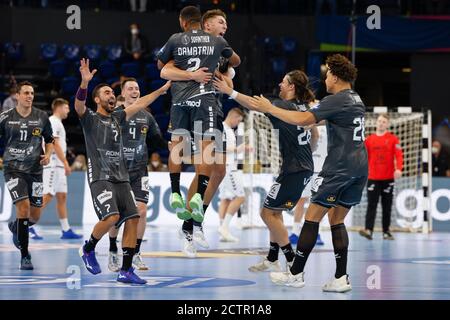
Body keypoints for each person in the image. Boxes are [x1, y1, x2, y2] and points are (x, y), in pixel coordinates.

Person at [251, 54, 367, 293]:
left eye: (327, 75)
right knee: (337, 221)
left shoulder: (337, 98)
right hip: (360, 168)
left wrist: (270, 108)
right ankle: (341, 278)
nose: (325, 79)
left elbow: (304, 119)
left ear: (335, 76)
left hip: (338, 168)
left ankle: (295, 273)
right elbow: (326, 121)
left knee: (312, 218)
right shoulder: (356, 98)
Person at [75, 58, 170, 284]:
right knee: (112, 217)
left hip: (122, 177)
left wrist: (163, 89)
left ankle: (126, 270)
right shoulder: (89, 118)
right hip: (101, 176)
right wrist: (85, 83)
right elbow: (78, 105)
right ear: (97, 99)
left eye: (112, 93)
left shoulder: (119, 116)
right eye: (106, 93)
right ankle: (88, 249)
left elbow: (141, 102)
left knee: (134, 217)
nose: (110, 95)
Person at [214, 70, 317, 274]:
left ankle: (291, 260)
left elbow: (253, 104)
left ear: (291, 87)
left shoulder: (282, 106)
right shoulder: (304, 107)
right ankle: (272, 258)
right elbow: (314, 132)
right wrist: (307, 151)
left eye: (283, 82)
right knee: (274, 211)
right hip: (299, 167)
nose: (280, 84)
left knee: (266, 213)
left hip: (295, 169)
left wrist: (230, 91)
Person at [157, 6, 240, 257]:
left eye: (226, 23)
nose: (225, 26)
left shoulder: (220, 51)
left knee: (220, 169)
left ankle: (195, 220)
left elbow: (230, 83)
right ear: (206, 25)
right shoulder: (193, 46)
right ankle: (190, 228)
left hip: (214, 108)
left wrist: (221, 79)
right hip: (198, 109)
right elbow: (166, 69)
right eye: (220, 22)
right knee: (206, 161)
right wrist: (193, 75)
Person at [107, 77, 168, 272]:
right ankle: (112, 250)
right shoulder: (115, 115)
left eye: (137, 88)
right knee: (116, 214)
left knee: (141, 211)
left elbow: (157, 141)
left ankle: (136, 253)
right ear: (123, 94)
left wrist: (173, 144)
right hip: (117, 171)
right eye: (130, 89)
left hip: (140, 170)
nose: (135, 91)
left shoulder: (146, 117)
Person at [1, 81, 54, 270]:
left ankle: (17, 227)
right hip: (13, 168)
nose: (30, 96)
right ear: (17, 96)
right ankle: (25, 255)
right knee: (22, 208)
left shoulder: (41, 117)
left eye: (32, 93)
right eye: (26, 93)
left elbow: (50, 140)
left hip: (35, 171)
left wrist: (47, 155)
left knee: (35, 216)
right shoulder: (5, 117)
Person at [41, 98, 82, 240]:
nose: (68, 110)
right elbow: (55, 144)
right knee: (48, 195)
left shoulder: (58, 123)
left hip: (58, 165)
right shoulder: (53, 121)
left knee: (61, 196)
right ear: (59, 107)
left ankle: (66, 229)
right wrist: (65, 162)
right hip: (53, 163)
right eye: (67, 107)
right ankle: (27, 226)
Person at [359, 114, 403, 241]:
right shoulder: (369, 140)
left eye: (384, 121)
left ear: (387, 124)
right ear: (376, 123)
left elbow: (399, 155)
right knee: (371, 205)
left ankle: (386, 231)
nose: (381, 123)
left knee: (387, 206)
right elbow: (363, 156)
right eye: (379, 121)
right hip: (373, 177)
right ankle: (368, 230)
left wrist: (399, 168)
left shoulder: (393, 139)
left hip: (388, 178)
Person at [289, 122, 325, 246]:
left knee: (318, 203)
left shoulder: (327, 125)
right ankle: (295, 232)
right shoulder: (304, 123)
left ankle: (317, 233)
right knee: (301, 200)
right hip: (306, 167)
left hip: (321, 170)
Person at [217, 107, 246, 242]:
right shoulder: (223, 128)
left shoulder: (229, 130)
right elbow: (217, 146)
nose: (237, 123)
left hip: (226, 166)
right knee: (240, 197)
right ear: (233, 117)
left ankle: (222, 229)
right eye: (238, 120)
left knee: (225, 198)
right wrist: (237, 149)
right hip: (227, 167)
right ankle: (224, 227)